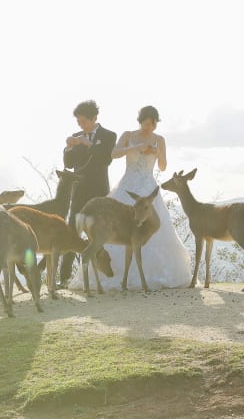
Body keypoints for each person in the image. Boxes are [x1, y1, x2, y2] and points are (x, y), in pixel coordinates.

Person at [74, 105, 191, 290]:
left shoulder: (159, 139)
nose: (149, 128)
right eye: (146, 124)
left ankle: (155, 275)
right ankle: (113, 276)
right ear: (140, 121)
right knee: (117, 225)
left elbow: (162, 166)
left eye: (153, 125)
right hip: (128, 186)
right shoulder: (128, 135)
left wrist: (157, 152)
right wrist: (135, 147)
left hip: (149, 188)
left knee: (155, 227)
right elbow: (114, 154)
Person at [61, 99, 116, 285]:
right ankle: (64, 277)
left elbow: (106, 159)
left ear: (94, 118)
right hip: (78, 193)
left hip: (99, 192)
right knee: (71, 232)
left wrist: (88, 144)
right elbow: (68, 164)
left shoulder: (109, 135)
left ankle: (102, 275)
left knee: (99, 233)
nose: (81, 125)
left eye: (83, 121)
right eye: (78, 122)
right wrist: (68, 147)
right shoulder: (75, 136)